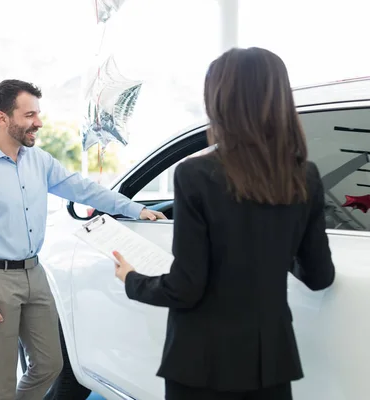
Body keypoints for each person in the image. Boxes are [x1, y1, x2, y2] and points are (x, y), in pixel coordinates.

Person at [113, 47, 336, 400]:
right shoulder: (304, 177)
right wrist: (275, 248)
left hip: (201, 364)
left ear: (220, 100)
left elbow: (186, 287)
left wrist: (132, 279)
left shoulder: (196, 174)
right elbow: (320, 275)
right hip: (270, 363)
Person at [0, 79, 165, 400]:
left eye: (38, 114)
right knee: (1, 378)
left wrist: (135, 209)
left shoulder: (39, 161)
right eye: (29, 115)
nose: (38, 123)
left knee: (49, 364)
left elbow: (84, 190)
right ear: (3, 118)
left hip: (36, 275)